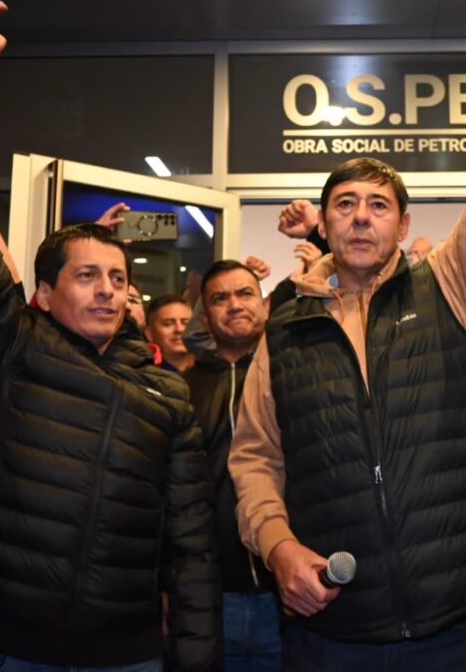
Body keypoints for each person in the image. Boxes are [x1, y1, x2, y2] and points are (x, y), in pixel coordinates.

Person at [229, 0, 466, 670]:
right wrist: (277, 545)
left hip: (457, 622)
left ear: (403, 224)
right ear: (324, 225)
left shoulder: (452, 286)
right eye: (345, 205)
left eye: (378, 205)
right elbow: (255, 457)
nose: (361, 218)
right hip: (334, 626)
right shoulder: (286, 328)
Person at [0, 0, 219, 671]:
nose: (107, 289)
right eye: (86, 276)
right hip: (12, 648)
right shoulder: (10, 346)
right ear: (44, 295)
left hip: (128, 655)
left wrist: (197, 658)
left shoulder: (166, 394)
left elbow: (191, 541)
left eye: (117, 277)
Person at [182, 260, 280, 671]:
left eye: (245, 293)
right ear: (205, 318)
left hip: (291, 590)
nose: (235, 305)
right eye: (220, 298)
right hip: (210, 594)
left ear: (266, 306)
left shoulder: (293, 375)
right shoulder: (182, 390)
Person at [147, 293, 195, 372]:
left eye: (185, 323)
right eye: (168, 324)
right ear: (149, 334)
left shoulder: (209, 371)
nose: (179, 329)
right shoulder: (142, 375)